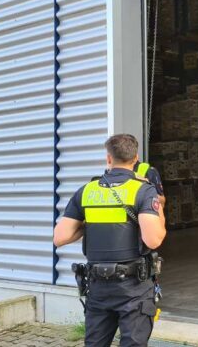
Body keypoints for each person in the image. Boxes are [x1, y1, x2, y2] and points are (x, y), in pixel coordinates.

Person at [54, 134, 166, 347]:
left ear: (108, 159)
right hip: (133, 286)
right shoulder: (143, 190)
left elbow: (60, 237)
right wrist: (159, 209)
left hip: (97, 286)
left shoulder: (87, 191)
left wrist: (88, 224)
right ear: (135, 160)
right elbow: (153, 240)